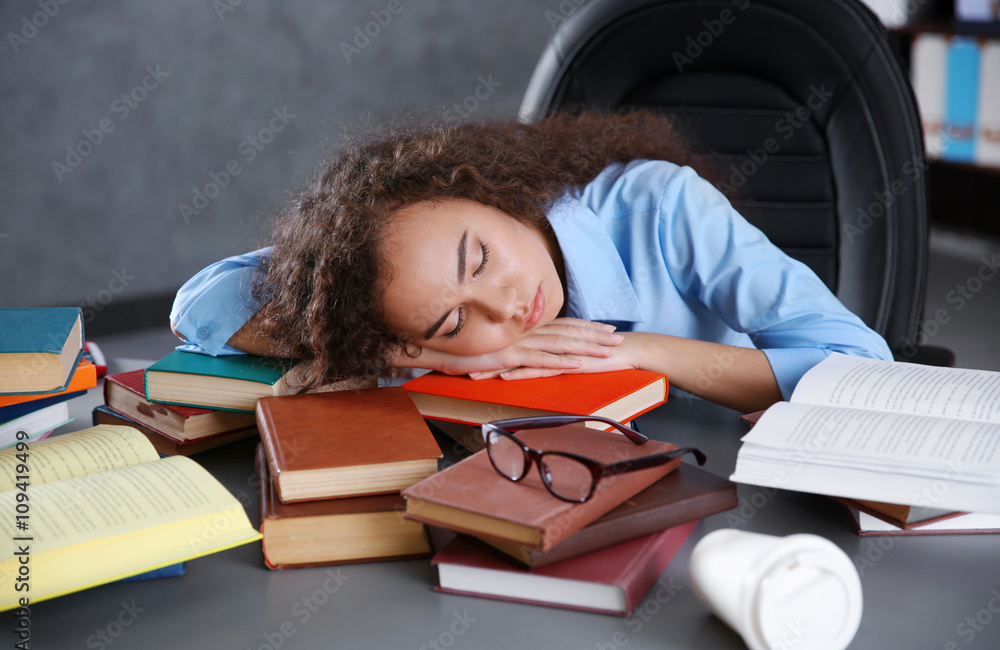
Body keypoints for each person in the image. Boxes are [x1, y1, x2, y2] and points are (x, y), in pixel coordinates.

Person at [170, 111, 892, 413]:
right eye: (455, 317)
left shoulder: (663, 207)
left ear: (486, 193)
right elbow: (202, 303)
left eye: (479, 257)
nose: (506, 306)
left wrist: (628, 352)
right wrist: (409, 349)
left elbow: (862, 364)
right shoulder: (396, 269)